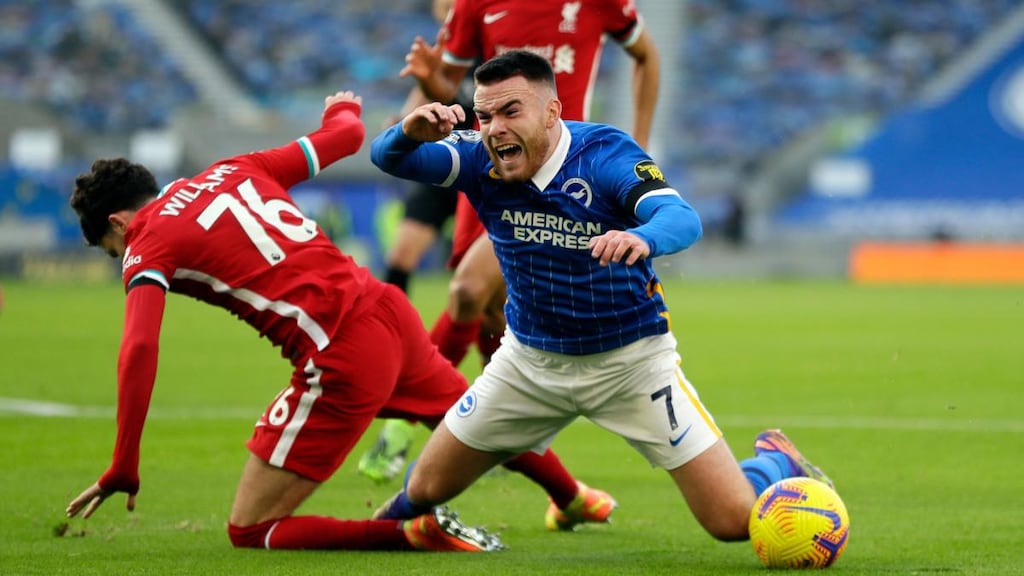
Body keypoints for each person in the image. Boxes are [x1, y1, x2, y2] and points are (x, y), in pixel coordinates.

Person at [63, 89, 612, 551]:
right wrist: (342, 108)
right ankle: (574, 497)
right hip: (386, 311)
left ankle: (411, 533)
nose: (122, 259)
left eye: (113, 250)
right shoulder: (233, 169)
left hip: (340, 351)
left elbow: (139, 346)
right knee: (475, 422)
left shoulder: (146, 238)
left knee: (250, 529)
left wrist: (124, 461)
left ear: (118, 222)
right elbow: (346, 137)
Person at [369, 50, 834, 543]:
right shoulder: (478, 157)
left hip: (630, 364)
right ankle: (373, 535)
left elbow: (683, 219)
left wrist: (643, 237)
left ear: (552, 112)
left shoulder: (605, 155)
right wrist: (407, 133)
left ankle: (773, 462)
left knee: (733, 523)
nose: (495, 128)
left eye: (510, 111)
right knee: (425, 488)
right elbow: (386, 157)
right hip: (528, 364)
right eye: (484, 116)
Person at [360, 0, 662, 483]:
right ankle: (503, 442)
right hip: (491, 170)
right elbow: (455, 97)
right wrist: (431, 87)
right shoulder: (474, 6)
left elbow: (646, 54)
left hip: (564, 178)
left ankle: (405, 420)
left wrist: (639, 145)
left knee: (467, 291)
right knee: (488, 311)